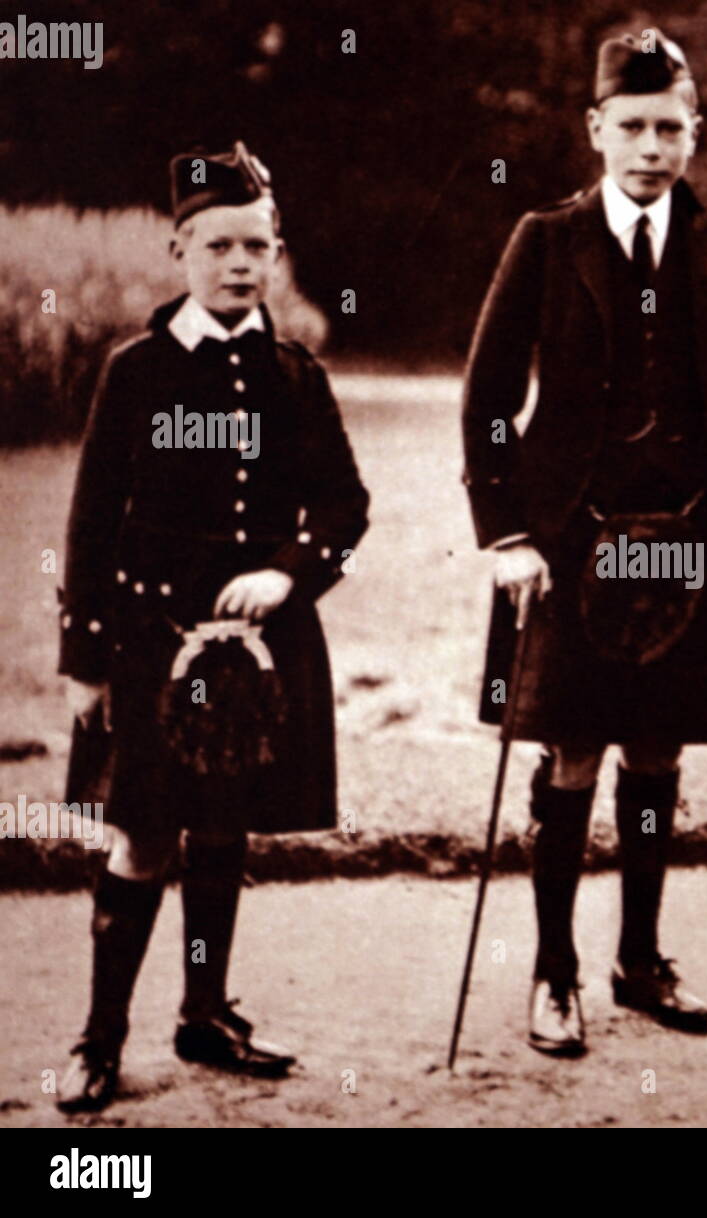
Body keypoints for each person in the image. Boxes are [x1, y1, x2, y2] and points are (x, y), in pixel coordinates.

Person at [461, 29, 707, 1056]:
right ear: (596, 130)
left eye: (669, 127)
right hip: (570, 544)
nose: (651, 146)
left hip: (681, 543)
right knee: (573, 750)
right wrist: (505, 533)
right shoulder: (546, 241)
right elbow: (489, 400)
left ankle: (640, 961)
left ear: (694, 133)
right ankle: (556, 972)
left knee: (658, 749)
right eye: (631, 126)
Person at [56, 141, 369, 1112]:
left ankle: (204, 1014)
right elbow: (90, 517)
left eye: (258, 246)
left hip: (254, 661)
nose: (240, 264)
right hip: (151, 645)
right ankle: (98, 1041)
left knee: (225, 827)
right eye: (218, 244)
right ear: (177, 249)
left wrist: (288, 574)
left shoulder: (293, 376)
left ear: (277, 254)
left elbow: (346, 509)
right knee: (144, 836)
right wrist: (84, 661)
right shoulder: (136, 372)